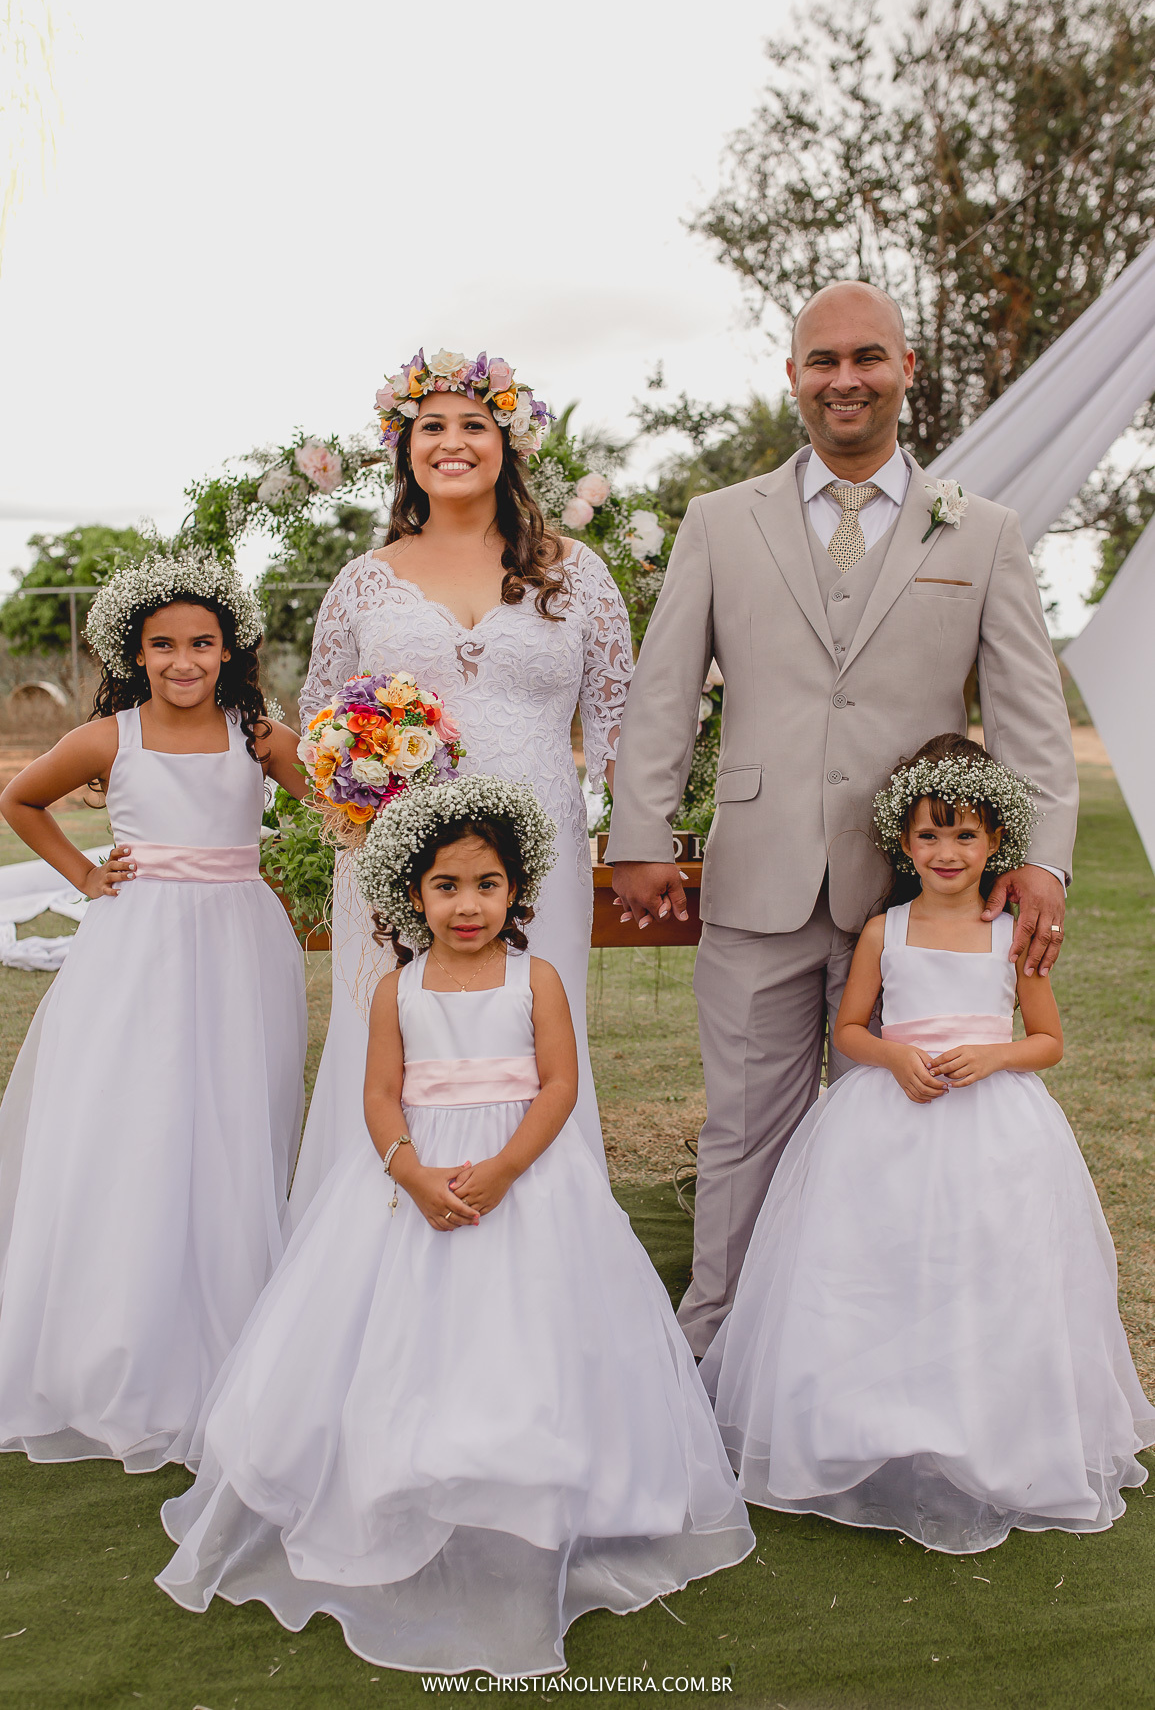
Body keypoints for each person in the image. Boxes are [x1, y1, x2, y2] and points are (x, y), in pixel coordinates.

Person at [155, 776, 753, 1677]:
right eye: (446, 886)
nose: (466, 904)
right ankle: (403, 1473)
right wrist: (411, 1171)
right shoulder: (398, 988)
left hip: (524, 1176)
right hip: (417, 1176)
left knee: (530, 1331)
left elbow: (558, 1086)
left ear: (517, 893)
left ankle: (538, 1478)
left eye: (485, 885)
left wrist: (508, 1167)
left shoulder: (535, 978)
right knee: (402, 1334)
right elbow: (378, 1094)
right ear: (412, 896)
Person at [607, 281, 1079, 1357]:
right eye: (823, 361)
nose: (846, 379)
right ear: (793, 377)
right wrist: (640, 832)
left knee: (913, 1143)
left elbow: (1027, 714)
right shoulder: (721, 523)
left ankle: (887, 1360)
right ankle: (720, 1355)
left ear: (907, 369)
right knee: (744, 1134)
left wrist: (1043, 858)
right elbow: (665, 690)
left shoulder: (986, 532)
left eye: (869, 357)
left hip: (928, 904)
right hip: (760, 880)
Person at [700, 734, 1155, 1554]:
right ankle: (867, 1423)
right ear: (902, 843)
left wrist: (994, 1055)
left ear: (996, 842)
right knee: (878, 1262)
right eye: (928, 835)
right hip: (888, 1117)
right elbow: (849, 1027)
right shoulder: (884, 929)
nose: (946, 851)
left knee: (981, 1261)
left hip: (993, 1124)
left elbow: (1047, 1040)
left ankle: (984, 1428)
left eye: (965, 834)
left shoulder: (1011, 933)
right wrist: (892, 1055)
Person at [290, 347, 631, 1218]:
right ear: (404, 449)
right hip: (399, 853)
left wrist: (631, 840)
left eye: (473, 424)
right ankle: (382, 1229)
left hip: (542, 851)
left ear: (506, 441)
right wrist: (363, 794)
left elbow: (618, 722)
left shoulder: (577, 572)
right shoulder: (363, 581)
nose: (451, 442)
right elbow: (320, 730)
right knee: (394, 1034)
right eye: (429, 426)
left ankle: (542, 1234)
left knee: (535, 1032)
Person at [0, 553, 308, 1472]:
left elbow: (343, 807)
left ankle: (231, 1315)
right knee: (137, 1117)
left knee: (230, 1114)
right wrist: (87, 874)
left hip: (239, 941)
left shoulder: (258, 734)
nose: (183, 660)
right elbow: (20, 799)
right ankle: (118, 1333)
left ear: (229, 649)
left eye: (201, 643)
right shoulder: (110, 737)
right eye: (163, 644)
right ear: (135, 653)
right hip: (138, 948)